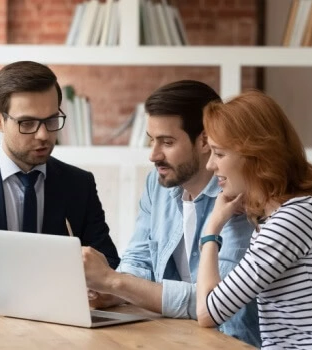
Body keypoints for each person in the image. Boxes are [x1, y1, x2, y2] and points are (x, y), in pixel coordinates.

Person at [0, 61, 120, 300]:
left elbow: (108, 263)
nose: (44, 135)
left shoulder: (79, 184)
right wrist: (25, 287)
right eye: (27, 123)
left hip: (61, 324)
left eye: (52, 120)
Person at [82, 80, 261, 347]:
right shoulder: (159, 184)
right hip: (172, 335)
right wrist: (109, 292)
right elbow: (139, 260)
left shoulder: (238, 194)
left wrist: (116, 283)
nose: (154, 155)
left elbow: (218, 302)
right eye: (151, 140)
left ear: (204, 140)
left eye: (167, 142)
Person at [196, 90, 312, 349]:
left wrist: (212, 229)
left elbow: (208, 313)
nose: (210, 165)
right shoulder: (286, 216)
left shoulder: (293, 220)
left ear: (256, 156)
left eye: (219, 154)